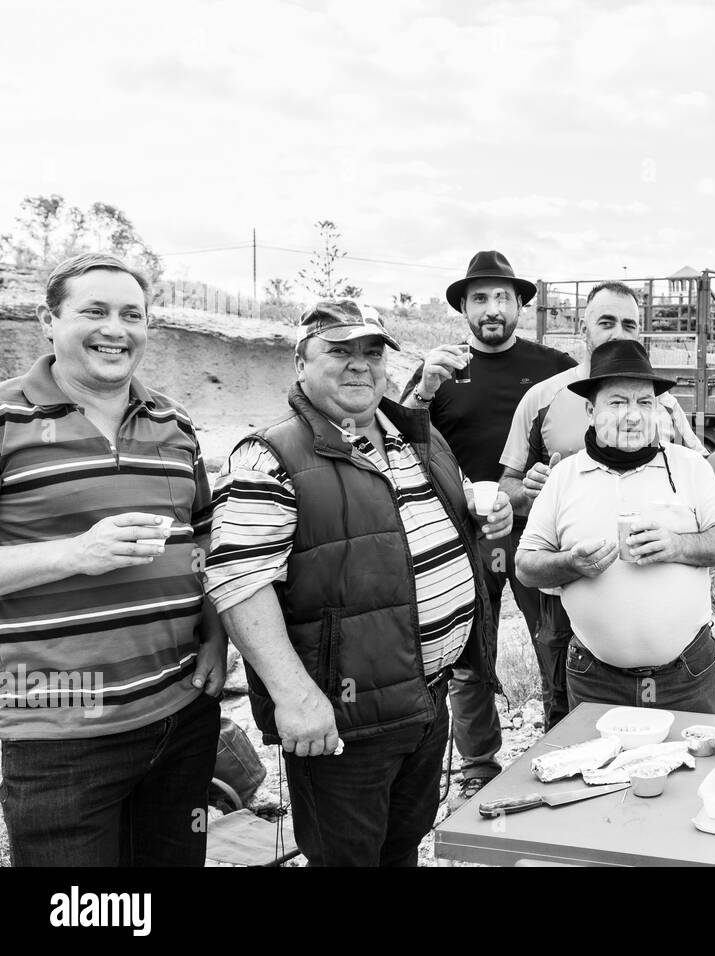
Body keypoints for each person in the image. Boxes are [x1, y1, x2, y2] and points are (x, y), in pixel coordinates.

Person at [204, 301, 511, 866]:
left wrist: (489, 517)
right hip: (342, 718)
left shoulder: (421, 438)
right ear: (301, 363)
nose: (359, 365)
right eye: (339, 351)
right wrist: (296, 698)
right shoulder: (268, 456)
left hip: (426, 696)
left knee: (401, 846)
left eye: (372, 352)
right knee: (348, 857)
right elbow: (239, 582)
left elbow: (445, 516)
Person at [0, 252, 225, 866]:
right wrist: (74, 554)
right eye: (94, 311)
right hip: (59, 725)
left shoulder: (173, 420)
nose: (116, 329)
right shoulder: (5, 418)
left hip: (181, 713)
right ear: (47, 321)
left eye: (133, 314)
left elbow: (203, 543)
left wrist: (213, 635)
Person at [499, 281, 715, 726]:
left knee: (694, 786)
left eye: (644, 402)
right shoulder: (564, 476)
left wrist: (680, 546)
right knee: (598, 788)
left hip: (687, 675)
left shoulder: (687, 466)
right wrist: (570, 563)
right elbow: (526, 566)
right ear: (590, 411)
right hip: (595, 680)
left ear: (659, 409)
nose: (632, 414)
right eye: (617, 401)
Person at [399, 250, 577, 809]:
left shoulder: (555, 368)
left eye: (504, 296)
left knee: (556, 640)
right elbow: (394, 440)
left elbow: (584, 438)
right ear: (464, 308)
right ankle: (478, 766)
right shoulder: (439, 371)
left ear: (521, 304)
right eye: (481, 298)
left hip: (535, 529)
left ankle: (563, 742)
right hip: (458, 536)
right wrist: (425, 388)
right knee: (468, 652)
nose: (493, 307)